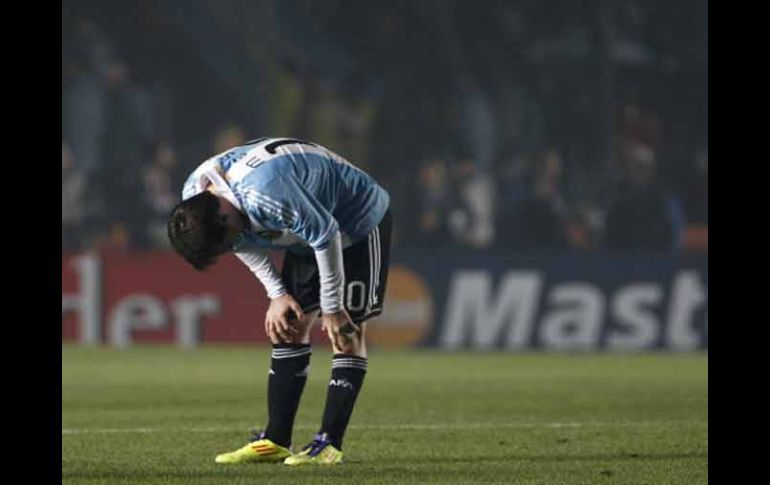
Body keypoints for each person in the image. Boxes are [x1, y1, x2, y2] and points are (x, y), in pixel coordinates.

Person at [167, 137, 391, 466]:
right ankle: (276, 440)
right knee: (289, 324)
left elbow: (326, 232)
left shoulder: (265, 194)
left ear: (225, 219)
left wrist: (332, 306)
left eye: (226, 240)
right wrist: (277, 293)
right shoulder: (196, 197)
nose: (231, 246)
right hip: (309, 227)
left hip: (356, 219)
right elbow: (240, 244)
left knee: (346, 330)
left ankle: (328, 443)